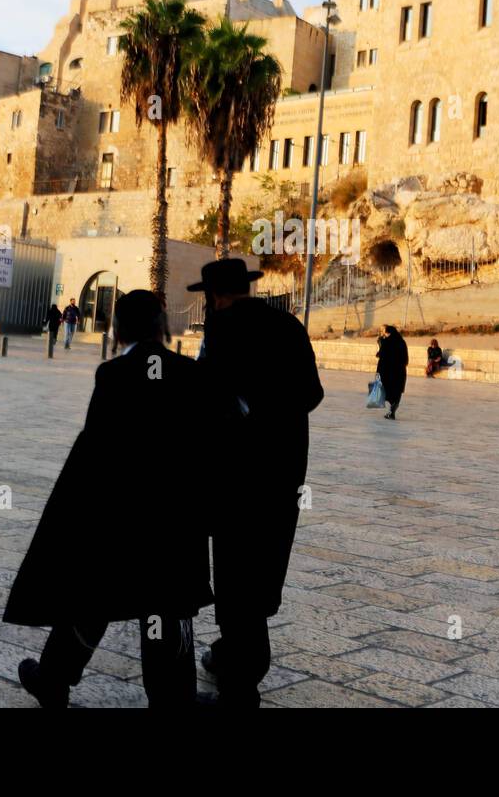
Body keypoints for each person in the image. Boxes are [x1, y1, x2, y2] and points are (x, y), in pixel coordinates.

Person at [4, 289, 212, 708]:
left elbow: (93, 452)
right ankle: (174, 698)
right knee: (164, 607)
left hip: (117, 516)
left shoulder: (113, 375)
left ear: (118, 329)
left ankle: (54, 678)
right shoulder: (188, 373)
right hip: (173, 519)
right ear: (161, 325)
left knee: (93, 596)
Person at [189, 258, 323, 707]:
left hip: (235, 480)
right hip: (284, 475)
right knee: (263, 570)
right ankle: (231, 658)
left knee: (235, 577)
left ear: (216, 297)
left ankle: (240, 690)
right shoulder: (288, 325)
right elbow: (312, 395)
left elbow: (204, 402)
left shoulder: (221, 331)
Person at [376, 324, 408, 420]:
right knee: (396, 393)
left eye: (385, 333)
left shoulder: (386, 342)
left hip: (388, 371)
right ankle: (392, 412)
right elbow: (405, 359)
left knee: (387, 390)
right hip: (399, 372)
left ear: (389, 332)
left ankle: (391, 411)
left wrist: (380, 344)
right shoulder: (402, 342)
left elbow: (381, 355)